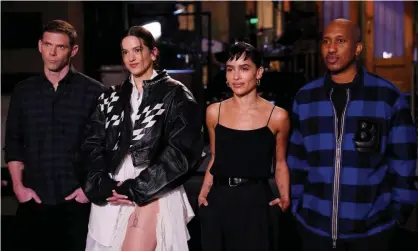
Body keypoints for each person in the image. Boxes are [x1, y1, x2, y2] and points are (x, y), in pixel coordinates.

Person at [287, 18, 418, 251]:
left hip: (372, 231)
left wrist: (397, 217)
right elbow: (296, 161)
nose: (331, 48)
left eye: (340, 41)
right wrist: (298, 209)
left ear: (357, 48)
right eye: (326, 41)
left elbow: (404, 163)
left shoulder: (387, 98)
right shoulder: (305, 98)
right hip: (314, 229)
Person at [80, 26, 204, 251]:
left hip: (154, 189)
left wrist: (137, 188)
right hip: (112, 187)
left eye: (137, 50)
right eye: (125, 52)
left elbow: (182, 153)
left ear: (153, 53)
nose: (131, 58)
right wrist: (101, 184)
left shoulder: (176, 95)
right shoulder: (110, 97)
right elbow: (91, 144)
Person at [3, 20, 105, 251]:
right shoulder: (24, 91)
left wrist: (89, 190)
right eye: (48, 44)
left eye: (60, 47)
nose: (52, 52)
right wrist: (19, 188)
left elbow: (104, 147)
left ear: (73, 51)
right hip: (33, 199)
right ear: (40, 45)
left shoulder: (95, 92)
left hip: (77, 202)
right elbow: (14, 142)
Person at [198, 42, 291, 251]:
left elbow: (281, 162)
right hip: (218, 202)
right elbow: (215, 157)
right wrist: (204, 193)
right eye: (230, 69)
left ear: (259, 72)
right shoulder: (214, 112)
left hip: (257, 202)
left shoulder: (277, 116)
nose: (236, 76)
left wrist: (285, 199)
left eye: (244, 68)